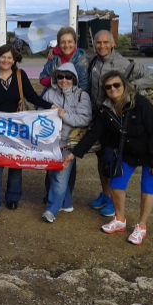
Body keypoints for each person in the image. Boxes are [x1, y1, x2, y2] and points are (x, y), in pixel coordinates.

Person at [63, 71, 153, 245]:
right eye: (108, 87)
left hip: (150, 152)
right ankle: (120, 219)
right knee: (116, 186)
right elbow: (93, 133)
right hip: (126, 152)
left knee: (148, 188)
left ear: (124, 85)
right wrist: (74, 154)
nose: (113, 89)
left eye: (116, 85)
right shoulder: (105, 109)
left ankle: (141, 226)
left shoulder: (140, 103)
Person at [87, 30, 153, 217]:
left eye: (106, 42)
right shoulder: (93, 62)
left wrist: (132, 87)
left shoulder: (125, 64)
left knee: (113, 160)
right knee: (101, 159)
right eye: (98, 42)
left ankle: (114, 202)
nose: (102, 46)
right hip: (99, 116)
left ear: (113, 43)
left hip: (117, 118)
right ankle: (106, 194)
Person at [0, 44, 53, 218]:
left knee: (16, 164)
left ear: (14, 60)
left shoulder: (20, 76)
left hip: (17, 129)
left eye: (9, 58)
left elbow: (32, 96)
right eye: (3, 57)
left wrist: (50, 107)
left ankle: (13, 197)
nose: (6, 61)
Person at [39, 63, 92, 223]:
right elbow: (40, 113)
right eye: (60, 77)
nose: (64, 80)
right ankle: (66, 204)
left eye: (68, 77)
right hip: (51, 142)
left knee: (60, 177)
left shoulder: (82, 96)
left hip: (69, 142)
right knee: (53, 174)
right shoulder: (49, 93)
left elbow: (85, 119)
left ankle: (51, 210)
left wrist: (64, 115)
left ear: (74, 79)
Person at [39, 27, 89, 92]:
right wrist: (55, 80)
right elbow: (42, 78)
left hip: (75, 96)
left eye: (70, 42)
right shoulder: (53, 57)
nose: (66, 45)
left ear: (75, 43)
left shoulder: (82, 59)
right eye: (63, 42)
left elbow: (83, 86)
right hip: (53, 95)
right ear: (58, 44)